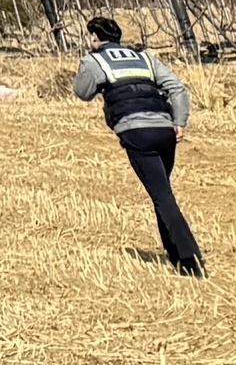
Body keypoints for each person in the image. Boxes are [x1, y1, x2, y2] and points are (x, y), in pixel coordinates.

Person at [71, 15, 204, 277]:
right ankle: (175, 253)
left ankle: (190, 259)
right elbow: (177, 88)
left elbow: (82, 92)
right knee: (161, 192)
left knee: (162, 196)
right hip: (165, 130)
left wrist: (86, 65)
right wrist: (180, 122)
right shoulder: (145, 58)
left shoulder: (94, 60)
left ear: (95, 38)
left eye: (90, 37)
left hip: (136, 133)